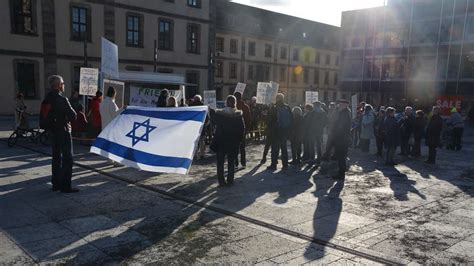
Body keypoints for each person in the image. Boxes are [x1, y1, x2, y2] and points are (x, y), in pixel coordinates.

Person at [44, 75, 78, 193]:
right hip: (63, 131)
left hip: (52, 132)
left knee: (56, 158)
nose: (64, 85)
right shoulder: (62, 100)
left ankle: (56, 184)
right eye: (63, 83)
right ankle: (66, 186)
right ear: (58, 85)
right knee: (68, 159)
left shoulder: (47, 98)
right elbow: (73, 116)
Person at [213, 95, 245, 187]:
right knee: (231, 162)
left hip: (221, 141)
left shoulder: (219, 114)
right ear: (235, 103)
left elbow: (214, 123)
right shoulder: (238, 115)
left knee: (220, 163)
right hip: (233, 142)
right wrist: (239, 140)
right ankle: (230, 180)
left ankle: (221, 182)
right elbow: (242, 129)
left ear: (226, 102)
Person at [268, 93, 293, 171]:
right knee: (284, 148)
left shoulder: (274, 107)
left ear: (277, 99)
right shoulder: (287, 107)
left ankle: (273, 165)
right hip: (284, 131)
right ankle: (285, 165)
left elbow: (270, 119)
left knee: (275, 149)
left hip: (275, 131)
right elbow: (291, 119)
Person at [332, 99, 352, 179]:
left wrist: (336, 133)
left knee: (341, 156)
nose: (339, 105)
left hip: (342, 138)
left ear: (345, 105)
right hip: (341, 138)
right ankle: (341, 173)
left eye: (340, 104)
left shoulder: (344, 113)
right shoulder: (343, 112)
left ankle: (341, 174)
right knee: (340, 156)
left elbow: (342, 127)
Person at [234, 92, 251, 168]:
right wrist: (247, 129)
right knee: (242, 147)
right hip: (243, 129)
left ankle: (235, 163)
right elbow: (248, 119)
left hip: (233, 129)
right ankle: (243, 163)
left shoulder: (233, 106)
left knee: (234, 147)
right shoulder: (246, 107)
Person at [190, 95, 208, 159]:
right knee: (202, 140)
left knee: (194, 141)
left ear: (194, 99)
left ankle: (194, 154)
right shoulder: (204, 106)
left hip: (193, 126)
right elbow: (207, 118)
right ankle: (202, 154)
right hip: (201, 126)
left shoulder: (191, 106)